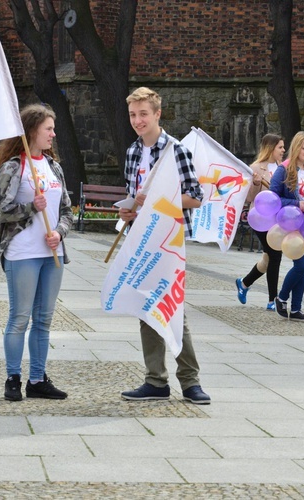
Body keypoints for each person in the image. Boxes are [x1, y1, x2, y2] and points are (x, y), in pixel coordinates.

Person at [117, 87, 211, 405]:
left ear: (158, 114)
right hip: (141, 241)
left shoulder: (175, 151)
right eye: (133, 115)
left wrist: (157, 199)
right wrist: (129, 211)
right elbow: (135, 200)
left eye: (144, 114)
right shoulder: (132, 152)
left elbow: (195, 197)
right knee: (146, 309)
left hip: (169, 240)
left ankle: (190, 380)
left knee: (172, 309)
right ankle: (155, 380)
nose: (138, 120)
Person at [0, 104, 73, 402]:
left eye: (53, 128)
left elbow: (66, 211)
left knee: (44, 319)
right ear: (32, 131)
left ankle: (37, 379)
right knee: (20, 318)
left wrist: (59, 232)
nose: (53, 133)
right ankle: (13, 378)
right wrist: (29, 208)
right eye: (48, 128)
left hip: (53, 253)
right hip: (22, 252)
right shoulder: (14, 167)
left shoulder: (54, 167)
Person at [271, 131, 304, 323]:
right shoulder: (284, 170)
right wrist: (296, 204)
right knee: (300, 265)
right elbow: (273, 198)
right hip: (291, 223)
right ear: (296, 147)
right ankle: (282, 298)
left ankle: (297, 309)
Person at [235, 133, 286, 311]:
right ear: (271, 148)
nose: (283, 150)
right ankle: (273, 300)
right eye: (280, 147)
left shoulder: (284, 167)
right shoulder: (255, 168)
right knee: (275, 255)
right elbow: (248, 197)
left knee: (268, 258)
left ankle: (244, 283)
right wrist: (255, 184)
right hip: (261, 219)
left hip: (278, 219)